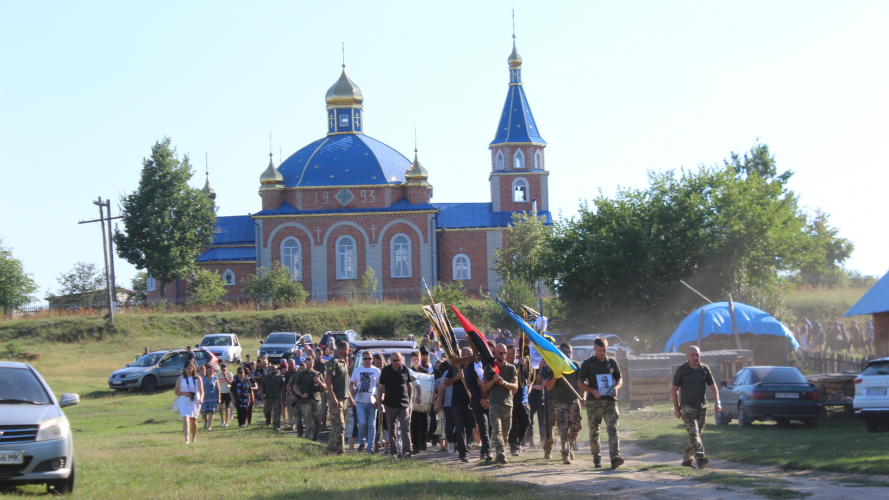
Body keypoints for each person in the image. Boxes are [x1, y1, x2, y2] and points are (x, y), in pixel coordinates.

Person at [671, 346, 721, 469]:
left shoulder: (704, 369)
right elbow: (674, 390)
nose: (695, 357)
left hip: (702, 406)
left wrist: (717, 402)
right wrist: (677, 409)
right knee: (693, 433)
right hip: (687, 406)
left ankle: (687, 460)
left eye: (697, 355)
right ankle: (700, 458)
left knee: (696, 434)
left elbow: (712, 385)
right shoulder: (682, 370)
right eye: (693, 355)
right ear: (688, 356)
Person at [578, 337, 623, 469]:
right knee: (594, 431)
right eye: (600, 350)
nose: (603, 353)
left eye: (605, 350)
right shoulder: (587, 363)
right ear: (594, 349)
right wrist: (592, 391)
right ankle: (597, 458)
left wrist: (616, 388)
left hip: (610, 402)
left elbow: (619, 379)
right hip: (594, 403)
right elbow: (580, 383)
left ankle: (615, 457)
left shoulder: (612, 362)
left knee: (613, 429)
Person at [543, 343, 582, 465]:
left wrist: (583, 397)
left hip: (574, 401)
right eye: (565, 352)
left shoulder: (575, 366)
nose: (568, 354)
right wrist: (555, 376)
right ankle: (565, 454)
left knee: (576, 426)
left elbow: (580, 383)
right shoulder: (555, 366)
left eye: (569, 352)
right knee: (563, 429)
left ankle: (569, 446)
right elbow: (549, 387)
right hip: (560, 402)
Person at [437, 347, 476, 463]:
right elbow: (444, 384)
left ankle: (463, 446)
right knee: (460, 427)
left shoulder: (475, 368)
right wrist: (457, 377)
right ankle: (463, 453)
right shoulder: (454, 368)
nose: (470, 356)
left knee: (471, 427)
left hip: (470, 402)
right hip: (456, 403)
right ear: (462, 356)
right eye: (467, 354)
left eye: (471, 354)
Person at [482, 343, 518, 465]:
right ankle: (500, 451)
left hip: (507, 404)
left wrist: (504, 383)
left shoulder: (511, 368)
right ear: (495, 353)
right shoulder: (490, 368)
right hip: (494, 404)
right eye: (500, 353)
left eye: (505, 353)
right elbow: (484, 387)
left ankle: (499, 455)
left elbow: (515, 386)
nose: (503, 355)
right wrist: (493, 380)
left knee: (505, 433)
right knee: (496, 430)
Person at [378, 351, 413, 458]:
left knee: (405, 428)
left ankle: (407, 451)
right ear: (390, 360)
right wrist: (380, 403)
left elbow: (410, 386)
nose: (397, 362)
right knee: (391, 429)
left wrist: (410, 401)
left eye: (398, 360)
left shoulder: (405, 369)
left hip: (403, 404)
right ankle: (394, 451)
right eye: (394, 360)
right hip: (389, 404)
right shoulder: (385, 371)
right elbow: (380, 388)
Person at [464, 349, 492, 462]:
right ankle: (489, 451)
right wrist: (480, 399)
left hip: (491, 400)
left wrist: (488, 399)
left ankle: (483, 450)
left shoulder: (489, 364)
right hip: (477, 401)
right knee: (483, 425)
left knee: (490, 427)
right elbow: (470, 385)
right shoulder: (470, 367)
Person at [326, 341, 353, 455]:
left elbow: (345, 383)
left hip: (344, 398)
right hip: (337, 399)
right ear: (346, 350)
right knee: (340, 427)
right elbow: (328, 380)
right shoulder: (334, 361)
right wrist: (333, 398)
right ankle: (340, 451)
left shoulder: (343, 362)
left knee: (338, 428)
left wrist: (350, 398)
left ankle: (329, 450)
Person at [351, 350, 381, 453]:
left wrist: (379, 397)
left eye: (369, 358)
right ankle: (362, 442)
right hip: (360, 400)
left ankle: (371, 446)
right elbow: (352, 383)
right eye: (365, 359)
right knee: (362, 423)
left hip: (372, 401)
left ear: (372, 359)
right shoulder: (357, 370)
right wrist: (353, 389)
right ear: (362, 359)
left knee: (372, 424)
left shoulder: (376, 371)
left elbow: (380, 385)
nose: (368, 361)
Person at [293, 357, 326, 441]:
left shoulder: (318, 374)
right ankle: (309, 437)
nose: (309, 365)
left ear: (313, 363)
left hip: (316, 399)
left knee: (318, 418)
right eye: (307, 364)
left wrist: (319, 382)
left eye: (310, 364)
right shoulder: (301, 374)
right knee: (308, 419)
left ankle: (315, 435)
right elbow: (295, 387)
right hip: (306, 400)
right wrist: (301, 394)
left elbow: (324, 387)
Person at [506, 345, 530, 456]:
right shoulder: (504, 366)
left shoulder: (521, 364)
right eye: (509, 354)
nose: (511, 356)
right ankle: (514, 447)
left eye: (513, 354)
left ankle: (519, 443)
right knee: (513, 426)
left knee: (525, 423)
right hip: (510, 400)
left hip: (523, 399)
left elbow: (529, 378)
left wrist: (524, 365)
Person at [175, 362, 204, 444]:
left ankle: (193, 438)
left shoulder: (198, 378)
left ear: (193, 368)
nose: (188, 370)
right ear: (184, 369)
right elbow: (176, 392)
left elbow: (201, 391)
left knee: (194, 420)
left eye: (190, 368)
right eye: (187, 368)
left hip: (195, 400)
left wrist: (201, 399)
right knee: (185, 419)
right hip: (184, 401)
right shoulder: (180, 378)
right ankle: (187, 439)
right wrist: (185, 393)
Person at [409, 352, 429, 453]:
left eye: (417, 358)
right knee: (414, 425)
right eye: (414, 359)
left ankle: (423, 442)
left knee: (424, 424)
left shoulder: (425, 371)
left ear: (420, 359)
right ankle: (415, 446)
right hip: (412, 402)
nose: (416, 360)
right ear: (411, 360)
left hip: (424, 401)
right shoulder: (408, 371)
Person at [259, 365, 284, 431]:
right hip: (268, 396)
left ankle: (276, 426)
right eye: (272, 369)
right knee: (266, 410)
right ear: (269, 370)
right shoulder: (266, 377)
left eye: (275, 369)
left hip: (277, 396)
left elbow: (282, 387)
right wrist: (261, 394)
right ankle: (268, 421)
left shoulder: (279, 377)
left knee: (277, 412)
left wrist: (284, 396)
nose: (273, 371)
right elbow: (261, 386)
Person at [201, 364, 222, 431]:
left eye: (212, 370)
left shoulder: (215, 378)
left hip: (213, 397)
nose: (210, 372)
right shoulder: (203, 378)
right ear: (207, 371)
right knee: (204, 412)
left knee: (211, 412)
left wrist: (219, 398)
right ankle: (205, 421)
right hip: (205, 397)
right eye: (209, 370)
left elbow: (218, 388)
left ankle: (209, 426)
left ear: (213, 371)